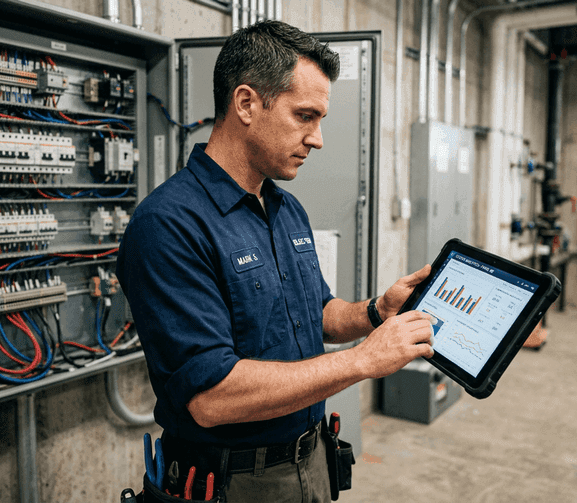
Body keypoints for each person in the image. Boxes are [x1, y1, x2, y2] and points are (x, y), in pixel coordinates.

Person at [116, 20, 434, 502]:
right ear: (246, 103)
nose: (318, 138)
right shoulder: (168, 223)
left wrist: (375, 312)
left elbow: (315, 312)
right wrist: (363, 361)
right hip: (229, 482)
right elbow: (212, 396)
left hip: (311, 463)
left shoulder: (285, 208)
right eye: (305, 115)